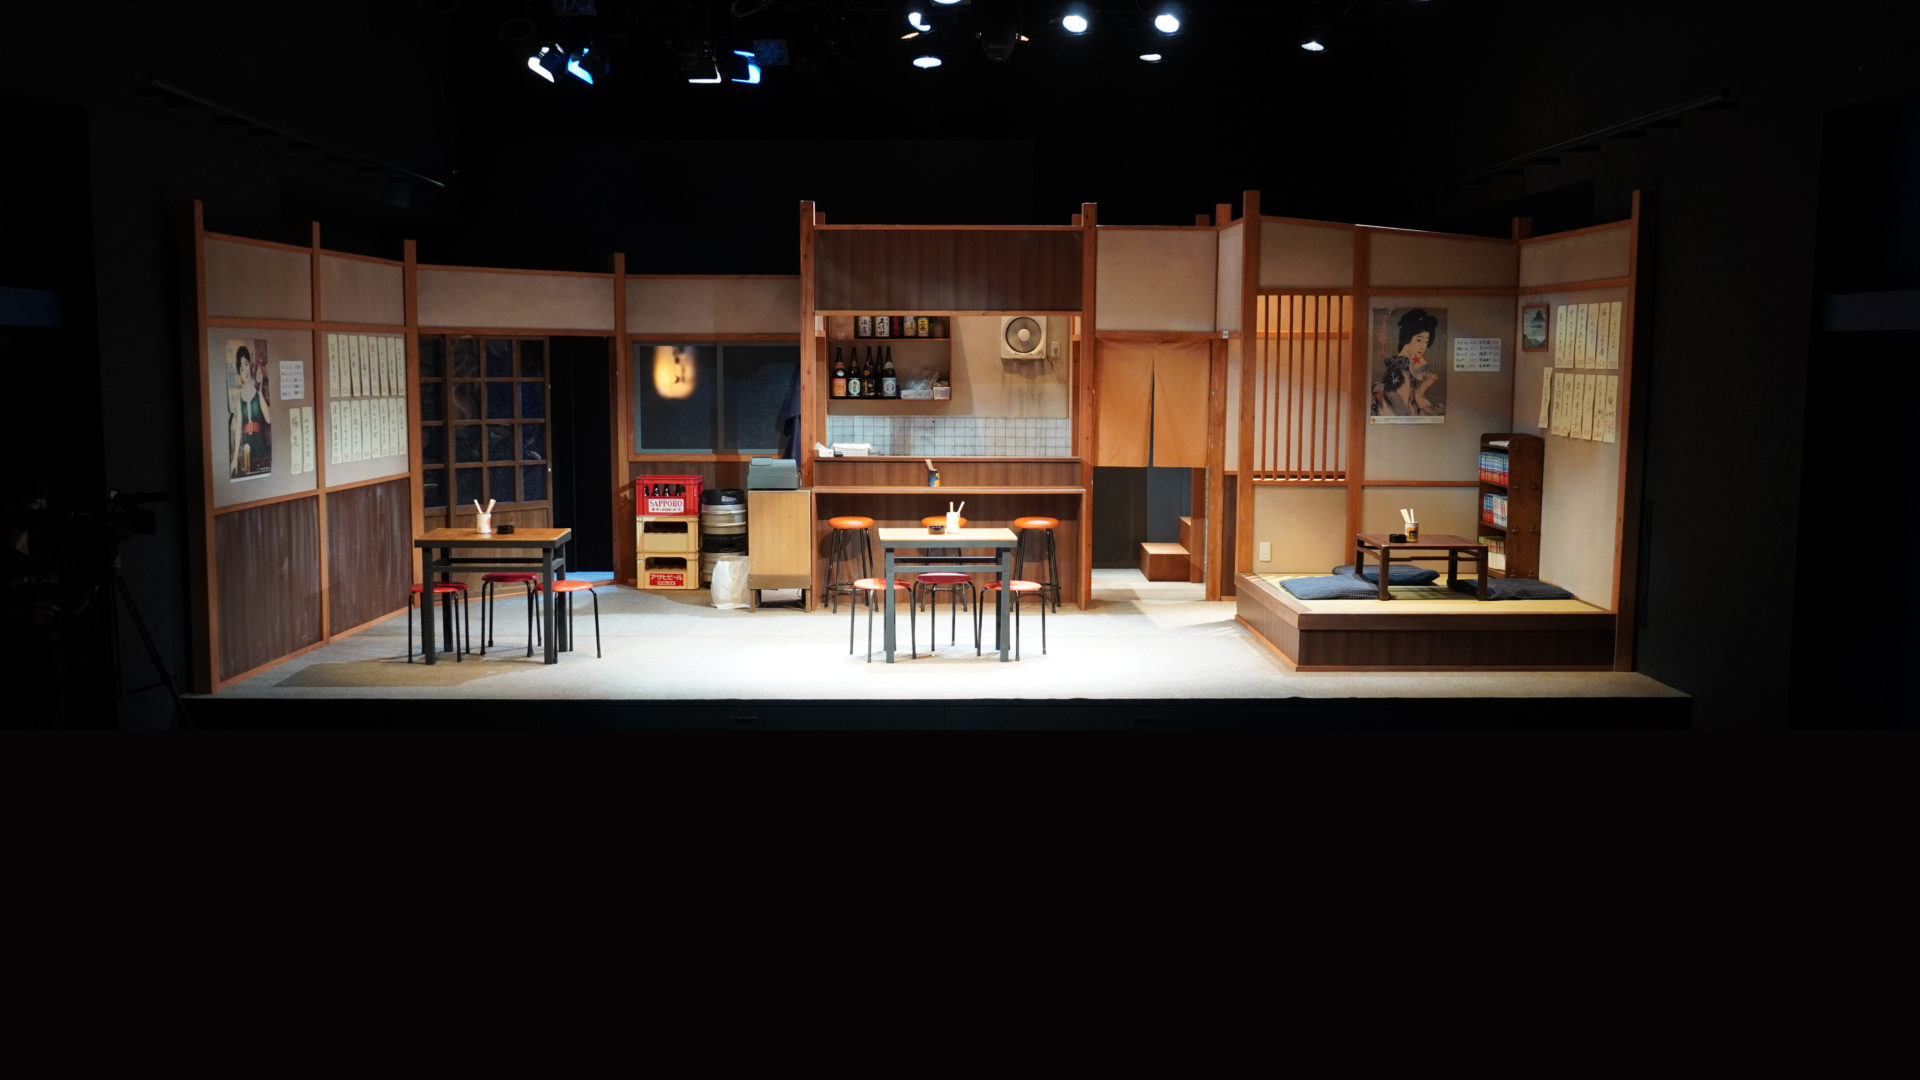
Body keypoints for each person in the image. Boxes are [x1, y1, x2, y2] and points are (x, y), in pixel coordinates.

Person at [1370, 309, 1442, 417]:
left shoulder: (1407, 364)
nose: (1423, 346)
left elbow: (1412, 399)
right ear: (1407, 336)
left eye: (1426, 341)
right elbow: (1399, 407)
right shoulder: (1399, 370)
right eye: (1419, 340)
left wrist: (1426, 384)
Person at [228, 344, 272, 477]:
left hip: (259, 443)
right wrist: (235, 458)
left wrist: (259, 391)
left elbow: (268, 418)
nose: (245, 371)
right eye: (241, 368)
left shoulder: (257, 386)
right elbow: (239, 429)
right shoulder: (240, 396)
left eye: (246, 364)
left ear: (250, 364)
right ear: (239, 372)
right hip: (246, 446)